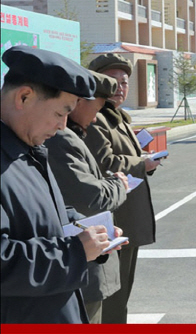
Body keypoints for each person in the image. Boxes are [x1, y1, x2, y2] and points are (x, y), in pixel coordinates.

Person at [1, 46, 123, 323]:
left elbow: (42, 212)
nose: (62, 126)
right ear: (24, 97)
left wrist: (87, 228)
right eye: (60, 113)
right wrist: (75, 252)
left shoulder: (27, 148)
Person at [45, 70, 129, 323]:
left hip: (86, 250)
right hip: (80, 259)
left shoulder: (70, 134)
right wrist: (118, 185)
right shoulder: (61, 139)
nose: (95, 118)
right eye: (98, 107)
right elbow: (88, 197)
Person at [84, 53, 161, 323]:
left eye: (124, 82)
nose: (119, 87)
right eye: (112, 81)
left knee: (122, 290)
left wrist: (142, 154)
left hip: (128, 213)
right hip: (114, 218)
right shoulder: (95, 118)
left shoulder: (118, 116)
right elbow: (105, 162)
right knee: (113, 295)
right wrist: (142, 162)